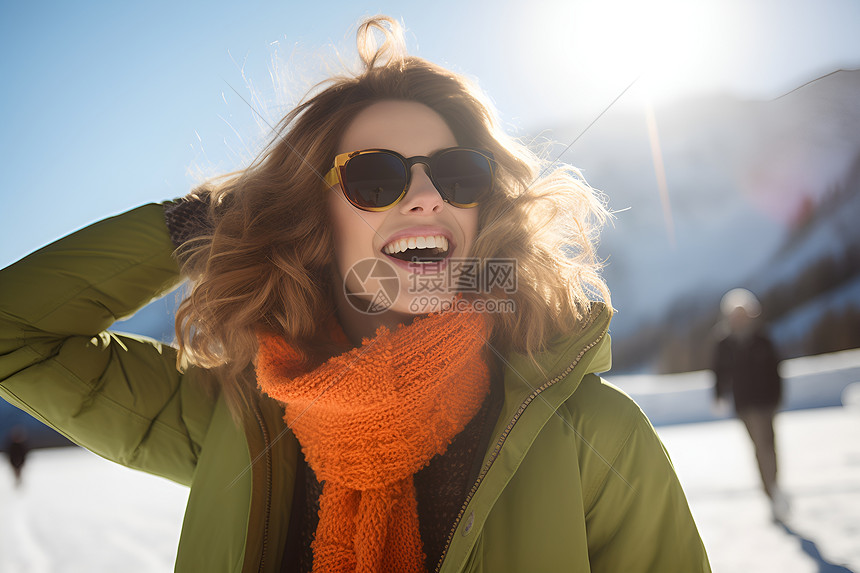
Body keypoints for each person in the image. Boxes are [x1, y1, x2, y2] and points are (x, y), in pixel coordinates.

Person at [0, 15, 710, 573]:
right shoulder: (237, 426)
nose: (428, 197)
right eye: (377, 177)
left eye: (457, 174)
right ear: (315, 220)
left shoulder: (599, 439)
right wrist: (206, 224)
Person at [713, 288, 789, 523]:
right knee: (759, 447)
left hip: (765, 402)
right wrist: (719, 395)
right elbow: (719, 371)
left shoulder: (762, 339)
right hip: (744, 404)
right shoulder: (725, 342)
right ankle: (772, 491)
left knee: (767, 445)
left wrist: (777, 398)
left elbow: (776, 370)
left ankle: (773, 490)